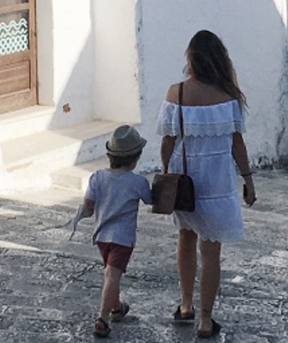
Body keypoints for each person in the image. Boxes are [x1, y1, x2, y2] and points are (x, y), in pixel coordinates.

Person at [158, 30, 257, 339]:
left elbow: (167, 142)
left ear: (191, 58)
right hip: (217, 182)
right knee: (211, 251)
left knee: (185, 239)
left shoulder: (177, 94)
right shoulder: (229, 97)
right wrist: (248, 180)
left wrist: (165, 172)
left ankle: (186, 305)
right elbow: (236, 145)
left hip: (185, 180)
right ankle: (204, 319)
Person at [80, 125, 153, 338]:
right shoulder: (138, 182)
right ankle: (102, 318)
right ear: (136, 157)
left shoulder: (97, 177)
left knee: (111, 273)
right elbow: (150, 200)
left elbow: (88, 204)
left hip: (101, 235)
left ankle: (116, 308)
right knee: (112, 275)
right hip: (122, 238)